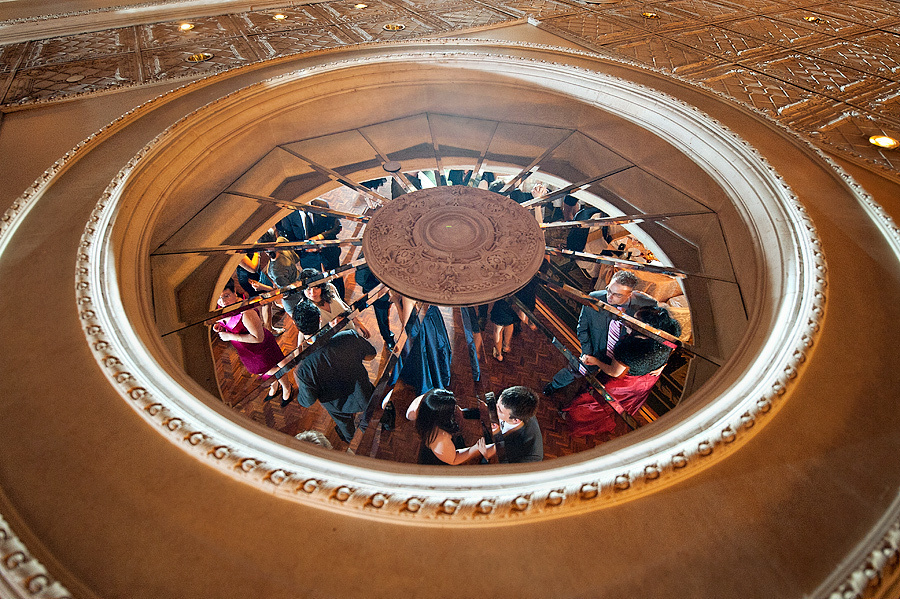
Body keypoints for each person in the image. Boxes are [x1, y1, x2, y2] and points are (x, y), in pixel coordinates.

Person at [562, 306, 681, 435]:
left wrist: (594, 360)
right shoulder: (669, 333)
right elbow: (673, 348)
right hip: (646, 380)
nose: (628, 321)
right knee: (621, 404)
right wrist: (662, 365)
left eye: (634, 321)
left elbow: (614, 372)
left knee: (594, 401)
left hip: (624, 382)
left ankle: (581, 421)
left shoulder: (628, 348)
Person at [544, 270, 657, 397]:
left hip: (620, 359)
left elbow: (659, 331)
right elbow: (582, 329)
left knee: (604, 388)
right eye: (608, 290)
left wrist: (660, 364)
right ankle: (555, 384)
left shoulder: (647, 305)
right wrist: (587, 352)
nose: (609, 297)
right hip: (595, 351)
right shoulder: (594, 298)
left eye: (617, 295)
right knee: (575, 370)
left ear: (630, 294)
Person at [291, 300, 377, 443]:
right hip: (362, 392)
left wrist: (298, 380)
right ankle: (385, 422)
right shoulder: (348, 336)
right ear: (320, 319)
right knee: (374, 411)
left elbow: (307, 401)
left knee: (345, 426)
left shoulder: (304, 367)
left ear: (296, 326)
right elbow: (371, 355)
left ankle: (352, 441)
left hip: (337, 405)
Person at [213, 280, 292, 403]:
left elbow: (258, 338)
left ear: (234, 292)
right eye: (219, 298)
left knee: (273, 369)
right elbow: (228, 322)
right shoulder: (223, 307)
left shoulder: (246, 312)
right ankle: (274, 385)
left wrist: (229, 337)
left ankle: (287, 387)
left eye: (226, 296)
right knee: (264, 372)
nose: (222, 302)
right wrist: (220, 326)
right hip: (247, 351)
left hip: (260, 349)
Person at [406, 388, 483, 465]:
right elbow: (454, 459)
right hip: (440, 457)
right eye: (453, 410)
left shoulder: (427, 402)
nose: (457, 409)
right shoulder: (440, 439)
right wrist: (476, 448)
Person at [299, 268, 370, 341]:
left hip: (350, 332)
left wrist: (357, 323)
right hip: (333, 344)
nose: (313, 293)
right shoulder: (303, 309)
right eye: (308, 289)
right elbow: (310, 338)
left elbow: (344, 308)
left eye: (316, 288)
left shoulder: (330, 288)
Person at [479, 386, 543, 463]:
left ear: (515, 420)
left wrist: (487, 455)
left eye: (499, 410)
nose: (494, 409)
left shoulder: (530, 456)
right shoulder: (508, 402)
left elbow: (506, 469)